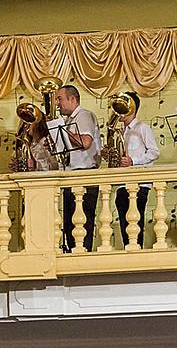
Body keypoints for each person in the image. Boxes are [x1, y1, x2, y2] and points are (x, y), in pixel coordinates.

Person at [54, 85, 101, 252]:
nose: (57, 103)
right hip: (70, 176)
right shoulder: (69, 120)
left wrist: (64, 132)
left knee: (82, 222)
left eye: (59, 99)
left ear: (72, 99)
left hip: (83, 177)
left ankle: (82, 256)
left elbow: (85, 142)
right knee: (69, 224)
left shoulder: (84, 116)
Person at [112, 92, 160, 249]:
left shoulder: (142, 128)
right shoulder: (119, 131)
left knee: (135, 219)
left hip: (139, 183)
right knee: (123, 219)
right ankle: (128, 248)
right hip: (121, 183)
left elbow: (154, 152)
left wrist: (134, 161)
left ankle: (137, 250)